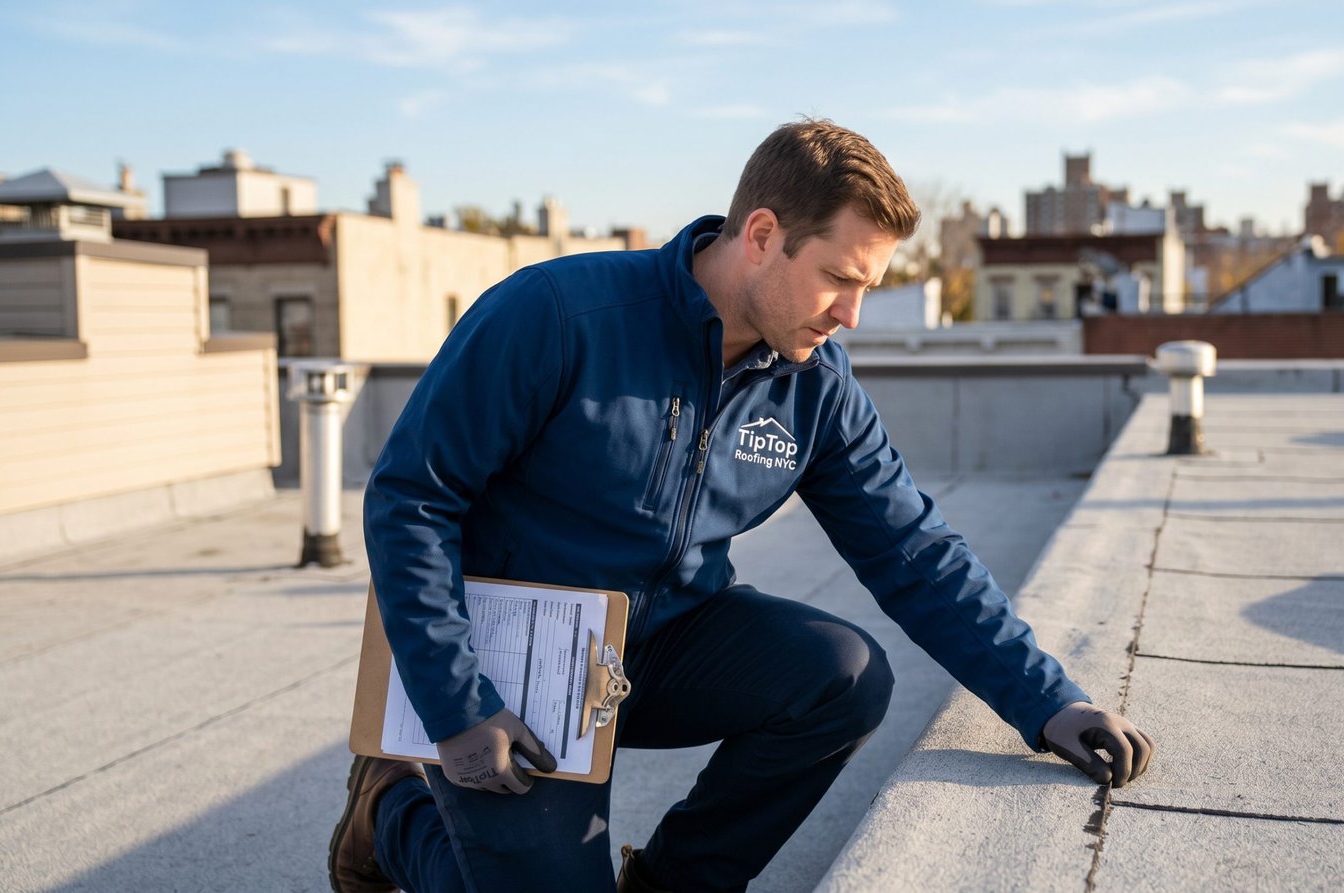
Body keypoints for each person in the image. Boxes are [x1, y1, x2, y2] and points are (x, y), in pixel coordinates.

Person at [330, 118, 1154, 893]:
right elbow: (411, 499)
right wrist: (455, 702)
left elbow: (914, 550)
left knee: (846, 675)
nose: (852, 313)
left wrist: (1047, 700)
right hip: (514, 661)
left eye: (868, 286)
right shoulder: (557, 316)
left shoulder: (816, 387)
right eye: (839, 278)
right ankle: (390, 811)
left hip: (658, 648)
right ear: (761, 236)